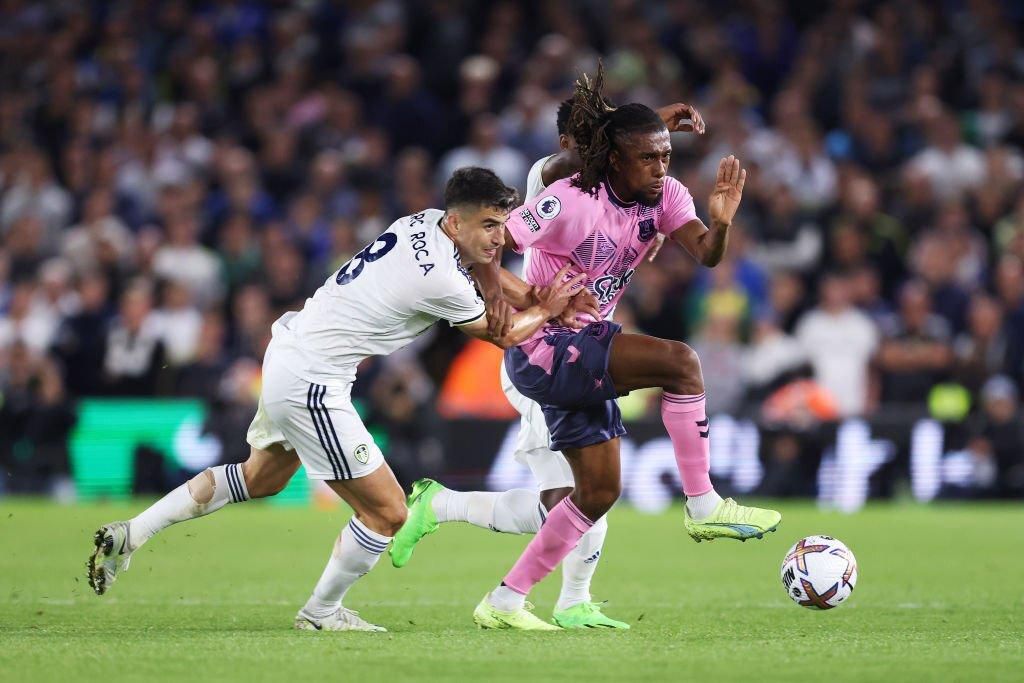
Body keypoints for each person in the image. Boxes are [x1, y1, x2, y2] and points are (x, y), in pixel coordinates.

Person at [86, 167, 590, 632]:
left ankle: (133, 533)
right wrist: (545, 308)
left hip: (288, 354)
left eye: (502, 224)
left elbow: (487, 271)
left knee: (259, 476)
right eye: (489, 225)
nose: (499, 237)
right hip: (313, 380)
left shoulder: (422, 220)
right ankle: (322, 612)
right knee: (390, 512)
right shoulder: (437, 277)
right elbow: (503, 336)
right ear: (456, 223)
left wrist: (528, 301)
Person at [479, 67, 782, 630]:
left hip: (587, 344)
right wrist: (527, 300)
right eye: (649, 157)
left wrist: (719, 225)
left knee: (595, 494)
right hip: (545, 346)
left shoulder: (663, 193)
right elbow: (487, 244)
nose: (662, 168)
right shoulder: (565, 196)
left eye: (666, 157)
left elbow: (707, 255)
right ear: (614, 158)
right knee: (680, 362)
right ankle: (702, 505)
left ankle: (503, 601)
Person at [389, 96, 706, 630]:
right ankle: (443, 509)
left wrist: (654, 127)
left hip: (574, 345)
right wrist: (537, 300)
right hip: (542, 350)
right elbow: (499, 250)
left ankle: (570, 600)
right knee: (577, 499)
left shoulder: (619, 189)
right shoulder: (554, 177)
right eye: (598, 142)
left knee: (579, 498)